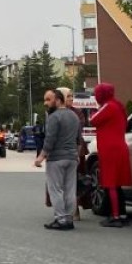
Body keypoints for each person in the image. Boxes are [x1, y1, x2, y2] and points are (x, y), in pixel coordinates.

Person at [34, 89, 81, 230]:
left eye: (49, 100)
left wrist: (41, 157)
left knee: (56, 190)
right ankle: (69, 219)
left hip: (56, 158)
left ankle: (60, 219)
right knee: (70, 190)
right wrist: (76, 155)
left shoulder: (53, 117)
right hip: (72, 157)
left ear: (59, 100)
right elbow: (79, 139)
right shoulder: (74, 116)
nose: (46, 103)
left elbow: (50, 139)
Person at [91, 82, 132, 227]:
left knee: (110, 183)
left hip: (109, 150)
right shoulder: (119, 107)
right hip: (119, 147)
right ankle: (122, 214)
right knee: (117, 184)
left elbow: (93, 120)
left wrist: (94, 111)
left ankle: (115, 216)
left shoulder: (108, 106)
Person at [58, 87, 89, 220]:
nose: (71, 98)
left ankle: (75, 209)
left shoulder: (77, 113)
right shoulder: (54, 112)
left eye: (72, 96)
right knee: (60, 182)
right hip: (59, 151)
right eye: (68, 96)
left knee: (75, 180)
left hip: (75, 150)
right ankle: (62, 209)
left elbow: (77, 129)